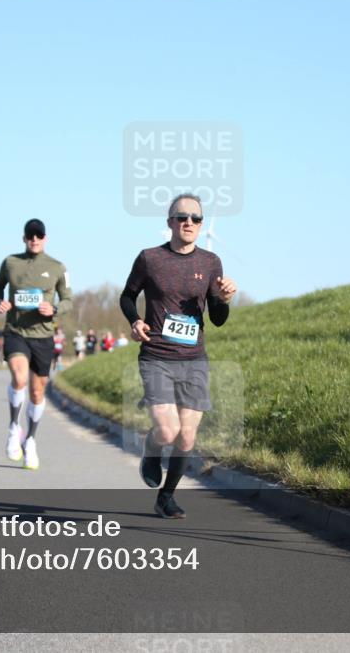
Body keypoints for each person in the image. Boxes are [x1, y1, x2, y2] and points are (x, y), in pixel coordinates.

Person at [120, 193, 237, 518]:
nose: (189, 222)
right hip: (157, 356)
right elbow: (128, 296)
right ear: (170, 222)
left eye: (196, 218)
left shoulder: (210, 263)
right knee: (168, 432)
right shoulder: (149, 258)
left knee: (187, 435)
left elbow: (217, 318)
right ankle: (152, 448)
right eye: (182, 217)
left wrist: (224, 299)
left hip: (194, 360)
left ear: (201, 225)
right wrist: (135, 320)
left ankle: (166, 497)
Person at [0, 218, 73, 469]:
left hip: (43, 335)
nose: (34, 240)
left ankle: (31, 441)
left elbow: (68, 299)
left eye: (39, 236)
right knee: (19, 378)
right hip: (16, 331)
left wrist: (55, 308)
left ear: (45, 238)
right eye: (30, 236)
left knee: (37, 392)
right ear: (24, 238)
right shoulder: (10, 262)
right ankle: (14, 427)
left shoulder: (57, 267)